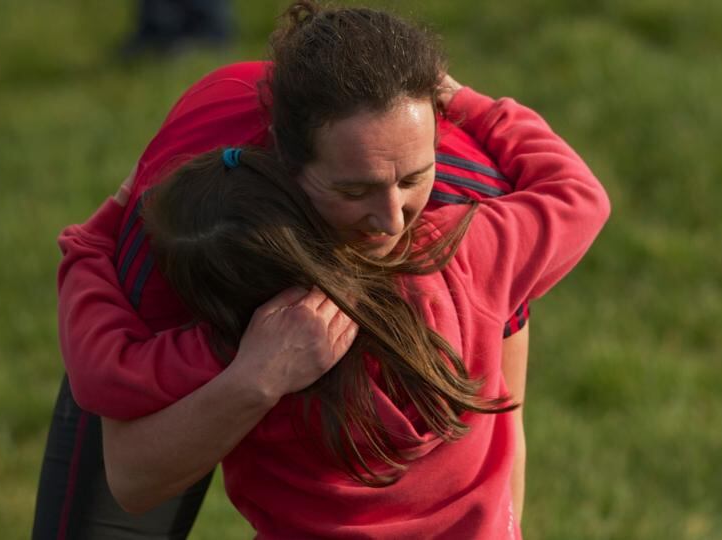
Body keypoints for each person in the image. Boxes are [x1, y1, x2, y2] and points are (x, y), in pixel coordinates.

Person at [32, 2, 533, 537]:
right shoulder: (198, 231)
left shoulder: (470, 198)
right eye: (353, 190)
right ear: (291, 167)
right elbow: (132, 480)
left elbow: (503, 435)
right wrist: (256, 378)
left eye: (413, 178)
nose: (391, 220)